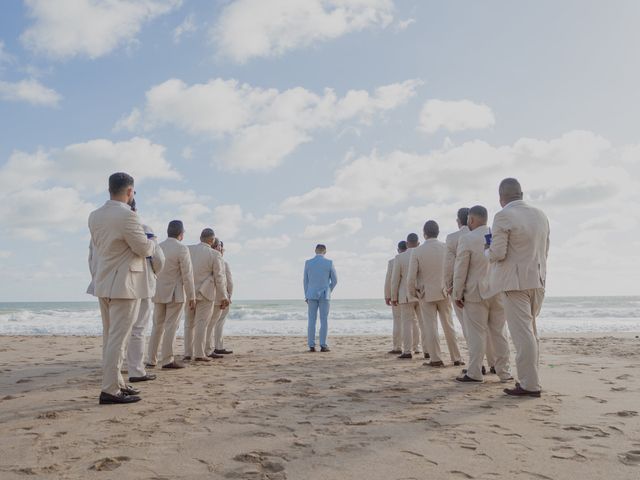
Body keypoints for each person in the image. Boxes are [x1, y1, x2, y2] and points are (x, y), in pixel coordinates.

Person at [88, 172, 157, 404]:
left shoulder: (94, 215)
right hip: (125, 285)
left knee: (111, 338)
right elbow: (143, 249)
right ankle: (110, 389)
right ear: (129, 191)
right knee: (119, 339)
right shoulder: (128, 216)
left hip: (104, 282)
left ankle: (116, 383)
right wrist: (153, 242)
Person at [487, 178, 550, 397]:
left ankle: (529, 384)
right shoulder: (541, 215)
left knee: (522, 335)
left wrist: (487, 251)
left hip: (514, 283)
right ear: (521, 194)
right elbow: (546, 249)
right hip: (538, 279)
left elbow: (498, 253)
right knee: (531, 332)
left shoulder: (503, 215)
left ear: (501, 197)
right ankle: (532, 379)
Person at [452, 205, 511, 383]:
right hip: (498, 290)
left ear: (471, 219)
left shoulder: (467, 238)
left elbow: (461, 268)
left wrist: (457, 293)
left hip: (475, 292)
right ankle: (504, 372)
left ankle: (475, 372)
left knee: (477, 333)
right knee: (500, 333)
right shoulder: (497, 234)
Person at [444, 207, 496, 373]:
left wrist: (451, 287)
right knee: (493, 329)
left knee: (471, 330)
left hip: (469, 288)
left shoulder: (454, 238)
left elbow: (452, 265)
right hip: (493, 287)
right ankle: (495, 364)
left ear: (463, 220)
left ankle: (477, 366)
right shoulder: (491, 233)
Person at [407, 221, 462, 367]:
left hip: (426, 293)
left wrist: (414, 293)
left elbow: (411, 277)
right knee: (449, 326)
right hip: (444, 292)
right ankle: (456, 357)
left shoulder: (417, 251)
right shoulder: (445, 247)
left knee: (430, 327)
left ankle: (436, 358)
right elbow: (452, 269)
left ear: (424, 233)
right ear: (438, 232)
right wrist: (450, 288)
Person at [146, 220, 195, 370]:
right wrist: (191, 295)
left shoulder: (158, 246)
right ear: (181, 234)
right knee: (171, 327)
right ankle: (167, 359)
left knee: (157, 326)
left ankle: (151, 359)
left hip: (158, 291)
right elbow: (187, 274)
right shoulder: (182, 248)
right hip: (175, 293)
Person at [126, 200, 165, 382]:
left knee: (114, 330)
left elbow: (92, 258)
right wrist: (154, 273)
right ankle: (136, 370)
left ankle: (113, 367)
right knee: (138, 328)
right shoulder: (143, 228)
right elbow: (157, 257)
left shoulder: (100, 226)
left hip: (110, 283)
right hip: (141, 283)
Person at [185, 228, 229, 362]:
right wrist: (223, 296)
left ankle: (188, 353)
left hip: (189, 292)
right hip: (206, 294)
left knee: (189, 324)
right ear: (211, 240)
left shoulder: (188, 250)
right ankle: (199, 353)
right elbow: (219, 277)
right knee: (201, 323)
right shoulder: (215, 255)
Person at [390, 233, 423, 359]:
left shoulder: (400, 257)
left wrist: (393, 297)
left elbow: (395, 279)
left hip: (405, 295)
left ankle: (408, 351)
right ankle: (425, 350)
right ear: (418, 243)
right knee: (422, 323)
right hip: (421, 294)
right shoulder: (421, 254)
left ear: (407, 243)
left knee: (406, 323)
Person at [303, 244, 338, 352]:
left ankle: (311, 345)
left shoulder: (308, 263)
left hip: (311, 294)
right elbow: (335, 280)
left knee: (311, 321)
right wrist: (328, 290)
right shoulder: (329, 262)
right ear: (325, 251)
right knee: (324, 320)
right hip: (324, 295)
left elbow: (305, 281)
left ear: (315, 251)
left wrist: (306, 295)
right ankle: (323, 345)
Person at [211, 241, 234, 355]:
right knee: (219, 323)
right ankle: (218, 346)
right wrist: (229, 295)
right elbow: (229, 282)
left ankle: (211, 346)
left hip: (209, 297)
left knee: (210, 324)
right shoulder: (223, 263)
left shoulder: (207, 261)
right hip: (221, 297)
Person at [384, 241, 406, 354]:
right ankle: (415, 347)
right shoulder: (413, 257)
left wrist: (388, 296)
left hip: (398, 295)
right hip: (414, 296)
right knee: (414, 321)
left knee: (398, 321)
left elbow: (389, 280)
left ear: (398, 250)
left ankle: (397, 346)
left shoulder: (393, 262)